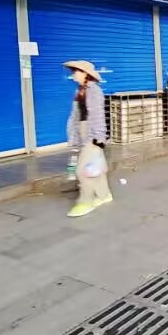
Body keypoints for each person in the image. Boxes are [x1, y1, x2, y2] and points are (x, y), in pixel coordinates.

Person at [64, 61, 111, 218]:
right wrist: (74, 136)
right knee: (95, 166)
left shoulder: (94, 91)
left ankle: (86, 202)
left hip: (92, 134)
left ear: (85, 74)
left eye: (76, 72)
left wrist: (99, 137)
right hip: (83, 131)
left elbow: (97, 115)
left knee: (83, 170)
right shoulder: (80, 90)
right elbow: (77, 116)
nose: (73, 75)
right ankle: (104, 195)